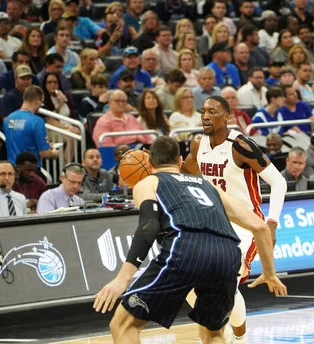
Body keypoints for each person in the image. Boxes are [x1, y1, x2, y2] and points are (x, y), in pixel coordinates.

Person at [93, 136, 287, 344]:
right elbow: (259, 226)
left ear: (149, 164)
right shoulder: (208, 186)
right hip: (226, 254)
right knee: (213, 333)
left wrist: (122, 279)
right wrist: (269, 272)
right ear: (180, 162)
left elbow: (149, 227)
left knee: (123, 325)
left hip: (185, 249)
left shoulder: (148, 183)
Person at [182, 95, 287, 343]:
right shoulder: (198, 144)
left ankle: (239, 337)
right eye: (203, 111)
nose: (206, 115)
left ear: (226, 116)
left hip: (245, 225)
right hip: (210, 223)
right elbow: (186, 174)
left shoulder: (241, 145)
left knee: (228, 281)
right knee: (188, 282)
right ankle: (218, 326)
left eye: (213, 111)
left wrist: (271, 223)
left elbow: (279, 181)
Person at [3, 85, 60, 169]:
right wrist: (56, 153)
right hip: (30, 170)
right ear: (37, 100)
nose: (41, 105)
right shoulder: (37, 121)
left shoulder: (9, 119)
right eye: (42, 102)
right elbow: (44, 153)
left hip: (12, 168)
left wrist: (46, 145)